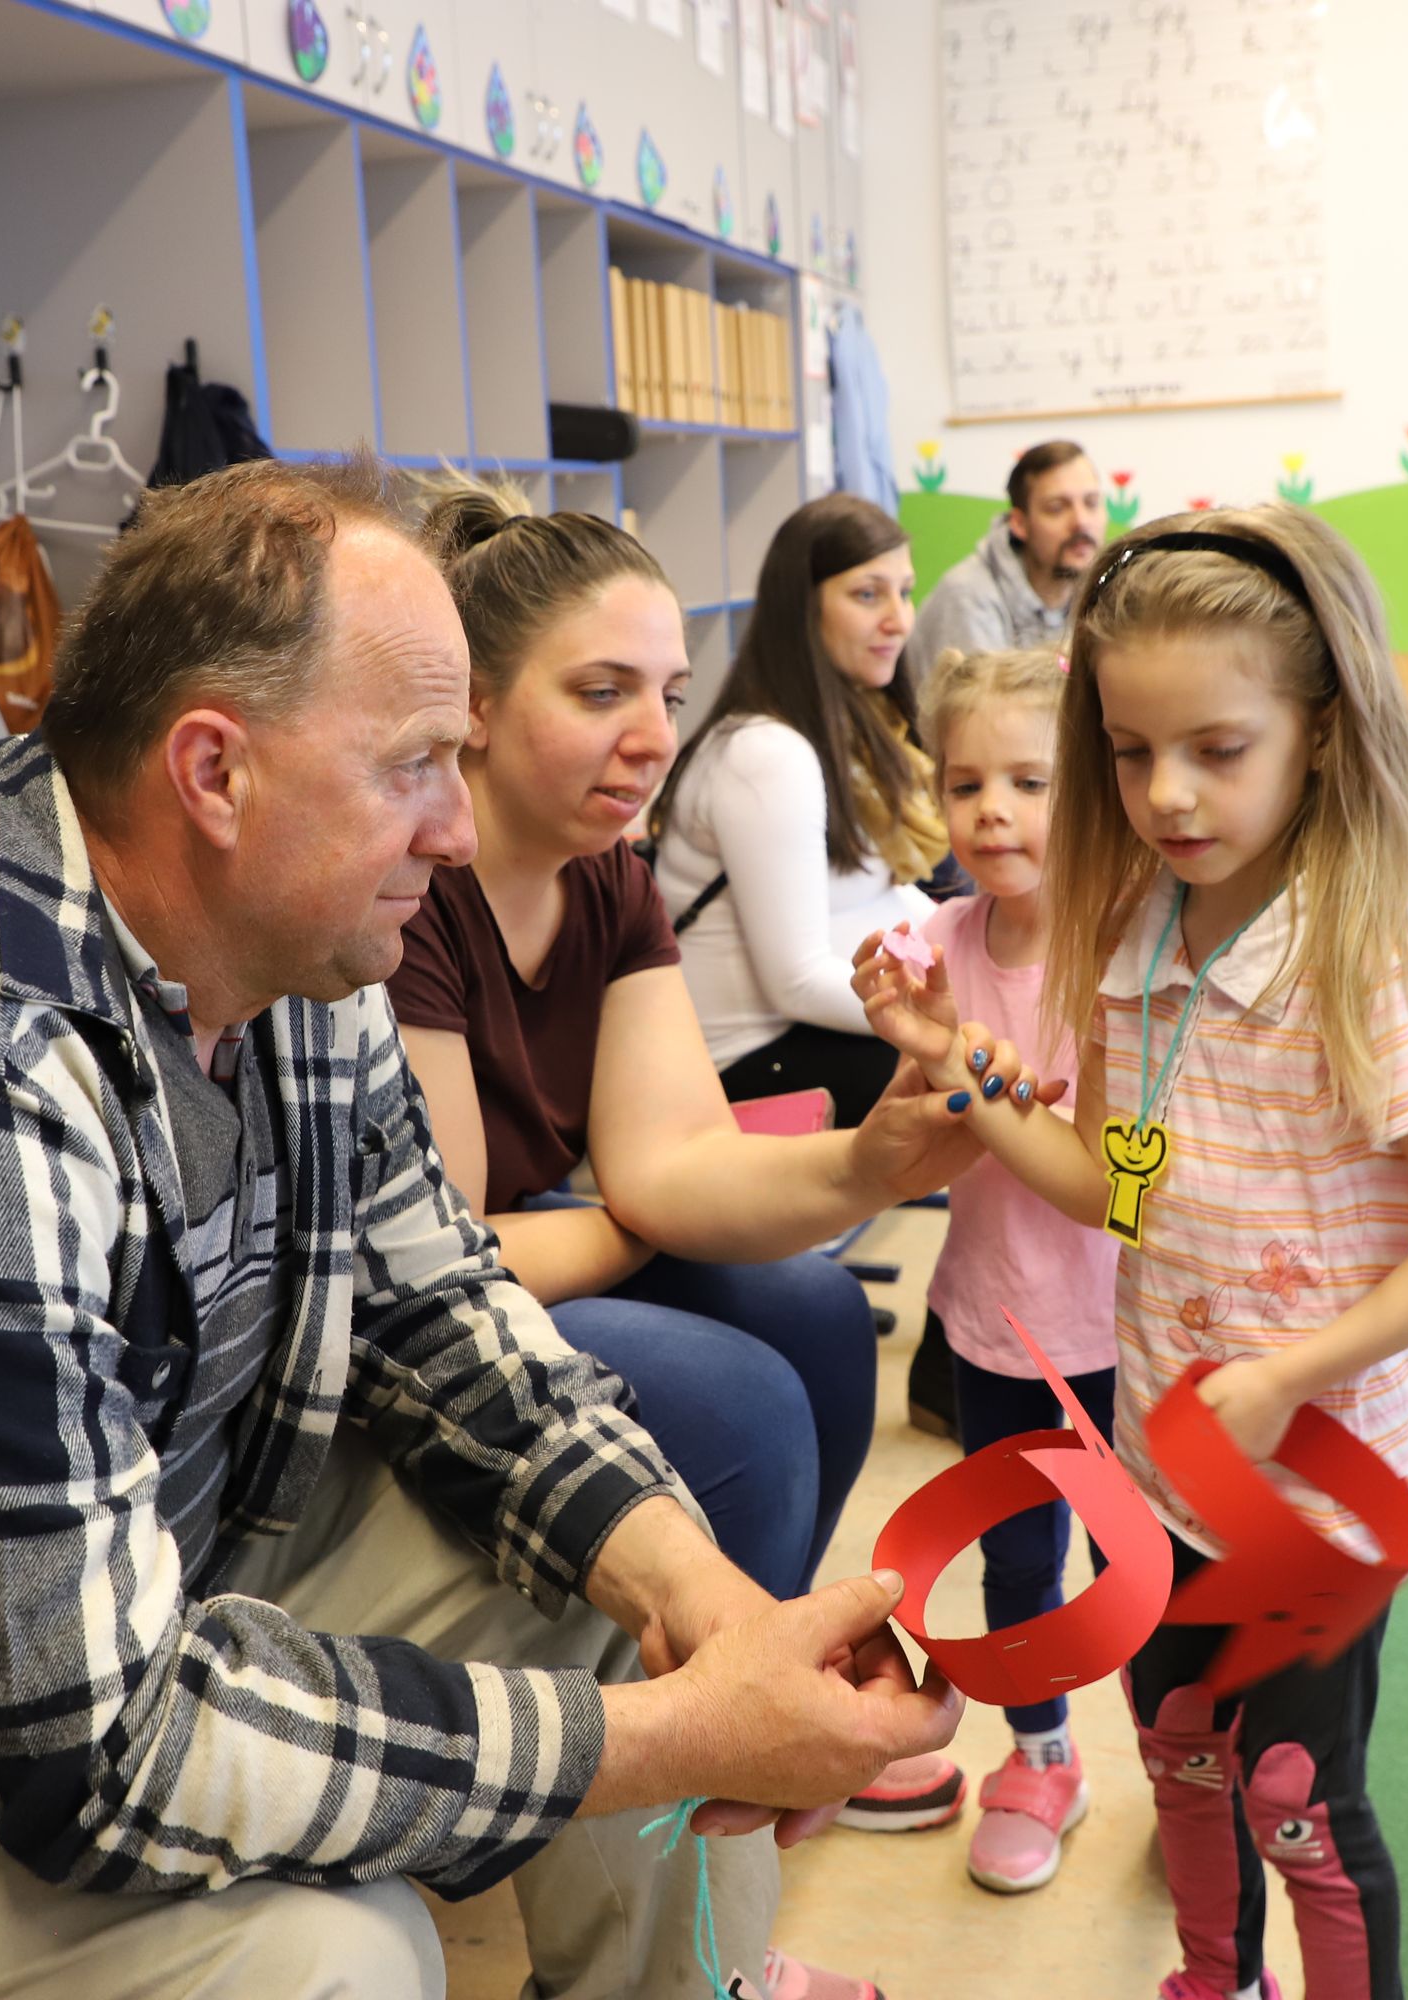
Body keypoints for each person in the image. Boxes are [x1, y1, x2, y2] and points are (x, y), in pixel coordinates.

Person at [0, 460, 956, 2000]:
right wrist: (670, 1742)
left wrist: (702, 1605)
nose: (455, 829)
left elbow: (441, 1317)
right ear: (214, 773)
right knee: (334, 1963)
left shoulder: (293, 939)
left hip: (76, 1607)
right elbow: (95, 1755)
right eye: (418, 764)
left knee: (607, 1590)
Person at [856, 506, 1408, 2000]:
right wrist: (950, 1057)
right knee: (1182, 1756)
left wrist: (1293, 1374)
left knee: (1297, 1797)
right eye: (1128, 750)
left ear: (1320, 733)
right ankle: (1212, 1981)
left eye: (1219, 749)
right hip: (1166, 1477)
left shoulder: (1368, 958)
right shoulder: (1133, 941)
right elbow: (1116, 1189)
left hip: (1317, 1499)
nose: (1166, 793)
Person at [389, 480, 996, 1836]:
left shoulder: (610, 874)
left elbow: (672, 1162)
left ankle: (777, 1699)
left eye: (668, 694)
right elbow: (447, 1257)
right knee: (743, 1405)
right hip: (426, 1303)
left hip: (547, 1230)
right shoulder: (413, 891)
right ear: (474, 706)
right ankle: (708, 1781)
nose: (655, 738)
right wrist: (633, 1219)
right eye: (601, 691)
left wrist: (875, 1162)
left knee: (821, 1313)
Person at [898, 646, 1122, 1895]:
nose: (992, 811)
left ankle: (1192, 1765)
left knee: (1140, 1566)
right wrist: (913, 1048)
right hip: (993, 1323)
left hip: (1126, 1332)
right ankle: (1042, 1757)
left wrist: (996, 1093)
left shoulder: (1127, 956)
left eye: (1030, 782)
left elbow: (1128, 1182)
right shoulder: (938, 942)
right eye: (965, 781)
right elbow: (902, 1138)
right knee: (1018, 1562)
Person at [649, 493, 943, 1130]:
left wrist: (978, 949)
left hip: (805, 1036)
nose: (899, 620)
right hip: (745, 1064)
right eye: (868, 595)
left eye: (904, 592)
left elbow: (882, 892)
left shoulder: (847, 723)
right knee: (965, 1085)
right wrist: (948, 1015)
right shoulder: (767, 753)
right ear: (803, 608)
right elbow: (797, 982)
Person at [904, 440, 1105, 678]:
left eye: (1091, 503)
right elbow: (981, 702)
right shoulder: (969, 597)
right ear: (1019, 524)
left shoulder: (1101, 589)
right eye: (1057, 508)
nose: (1081, 521)